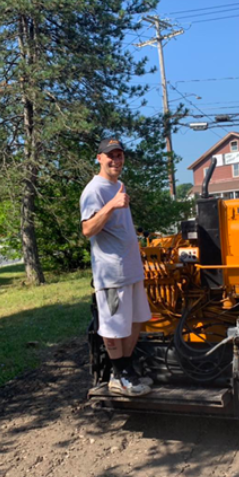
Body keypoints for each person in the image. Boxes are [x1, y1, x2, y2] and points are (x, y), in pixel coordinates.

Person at [80, 138, 153, 397]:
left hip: (131, 269)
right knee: (113, 326)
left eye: (119, 155)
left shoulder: (117, 186)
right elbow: (87, 229)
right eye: (110, 155)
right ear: (99, 158)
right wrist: (112, 205)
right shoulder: (95, 190)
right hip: (111, 274)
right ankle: (119, 376)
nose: (116, 160)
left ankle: (127, 371)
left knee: (135, 321)